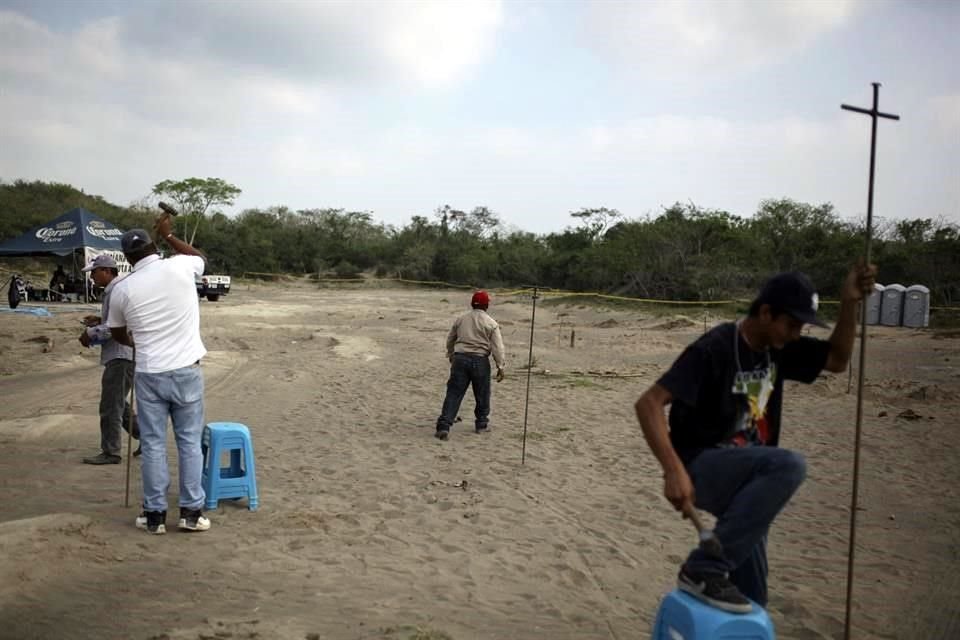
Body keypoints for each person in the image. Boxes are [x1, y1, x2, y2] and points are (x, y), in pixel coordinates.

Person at [634, 261, 877, 613]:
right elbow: (649, 404)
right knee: (789, 466)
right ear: (766, 313)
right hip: (699, 467)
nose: (796, 334)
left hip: (749, 478)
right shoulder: (715, 347)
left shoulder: (779, 348)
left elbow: (837, 360)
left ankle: (723, 590)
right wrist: (673, 470)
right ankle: (701, 568)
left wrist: (849, 302)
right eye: (792, 324)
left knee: (750, 599)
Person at [108, 214, 210, 535]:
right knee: (189, 442)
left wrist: (136, 341)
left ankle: (154, 516)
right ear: (154, 246)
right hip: (186, 370)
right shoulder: (180, 265)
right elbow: (200, 258)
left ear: (126, 258)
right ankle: (192, 513)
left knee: (152, 444)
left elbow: (118, 333)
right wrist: (169, 235)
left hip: (149, 371)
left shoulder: (123, 288)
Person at [78, 254, 140, 464]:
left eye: (94, 273)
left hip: (121, 355)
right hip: (123, 354)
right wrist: (100, 320)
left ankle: (111, 451)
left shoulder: (117, 290)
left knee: (111, 406)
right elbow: (116, 321)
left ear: (106, 271)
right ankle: (148, 438)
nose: (92, 277)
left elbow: (119, 326)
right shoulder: (117, 289)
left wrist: (91, 333)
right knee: (117, 403)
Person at [435, 290, 506, 440]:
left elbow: (451, 338)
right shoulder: (491, 323)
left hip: (460, 359)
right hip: (480, 360)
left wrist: (450, 353)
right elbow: (497, 347)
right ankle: (481, 425)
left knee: (454, 393)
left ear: (472, 303)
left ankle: (444, 426)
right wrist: (500, 366)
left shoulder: (461, 319)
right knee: (482, 394)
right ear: (487, 305)